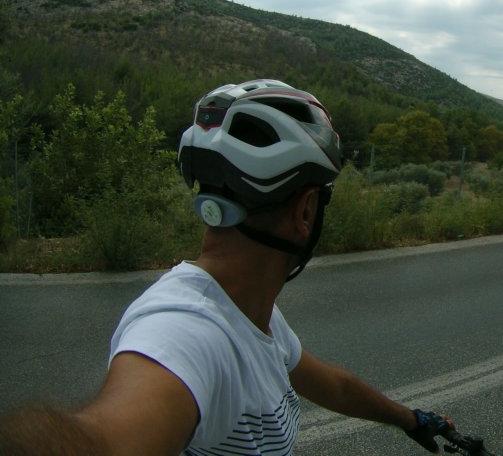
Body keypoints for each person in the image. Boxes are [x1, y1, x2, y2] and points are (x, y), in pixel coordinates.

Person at [0, 79, 451, 455]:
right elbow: (104, 441)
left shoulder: (248, 309)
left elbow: (334, 385)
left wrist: (411, 419)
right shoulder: (187, 330)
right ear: (306, 210)